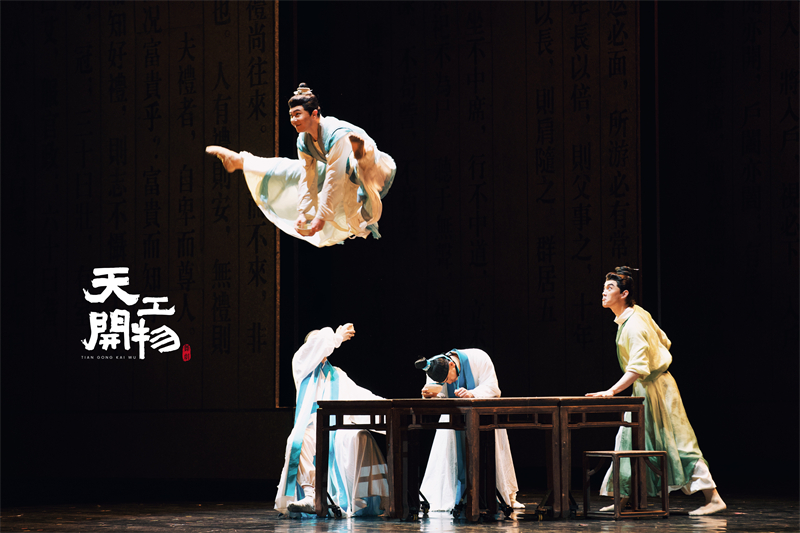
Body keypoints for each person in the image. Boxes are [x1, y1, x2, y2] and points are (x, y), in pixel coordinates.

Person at [586, 267, 726, 516]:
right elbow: (664, 340)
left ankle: (713, 497)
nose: (603, 292)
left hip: (658, 389)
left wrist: (611, 391)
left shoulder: (634, 324)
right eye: (604, 287)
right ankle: (625, 498)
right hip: (647, 387)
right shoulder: (636, 314)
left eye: (610, 288)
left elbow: (637, 368)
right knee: (628, 440)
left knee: (678, 442)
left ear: (624, 294)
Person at [206, 83, 396, 247]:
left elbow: (334, 178)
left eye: (297, 114)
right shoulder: (303, 141)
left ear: (314, 114)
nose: (293, 120)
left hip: (373, 172)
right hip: (343, 174)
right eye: (291, 115)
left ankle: (362, 165)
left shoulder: (336, 134)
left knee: (355, 165)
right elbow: (307, 178)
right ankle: (242, 161)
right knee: (294, 170)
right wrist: (304, 213)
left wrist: (321, 216)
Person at [275, 323, 389, 516]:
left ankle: (367, 496)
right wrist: (337, 336)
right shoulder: (301, 366)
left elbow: (360, 396)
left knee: (360, 436)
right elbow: (318, 343)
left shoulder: (337, 374)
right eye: (316, 344)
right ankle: (311, 495)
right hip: (312, 426)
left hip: (337, 427)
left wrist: (389, 407)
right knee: (297, 440)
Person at [415, 349, 524, 512]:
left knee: (492, 454)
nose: (448, 383)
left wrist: (472, 393)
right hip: (454, 419)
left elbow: (493, 388)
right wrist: (430, 395)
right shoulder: (433, 366)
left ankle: (495, 494)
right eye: (445, 381)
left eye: (448, 378)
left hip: (485, 416)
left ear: (452, 365)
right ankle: (455, 496)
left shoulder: (479, 358)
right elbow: (439, 394)